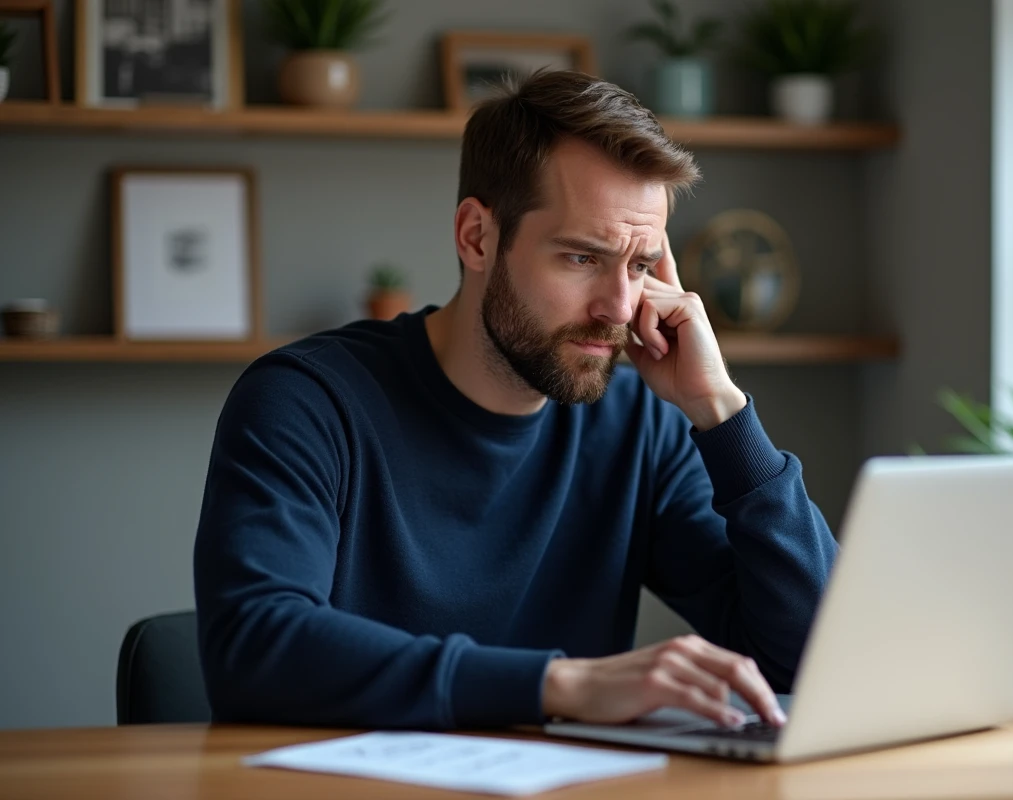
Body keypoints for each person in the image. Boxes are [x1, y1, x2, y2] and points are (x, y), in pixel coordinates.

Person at [193, 69, 838, 733]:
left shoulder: (638, 426)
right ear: (476, 237)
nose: (619, 308)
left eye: (641, 265)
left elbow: (814, 662)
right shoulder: (307, 403)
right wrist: (560, 684)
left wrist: (723, 413)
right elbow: (254, 647)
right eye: (582, 258)